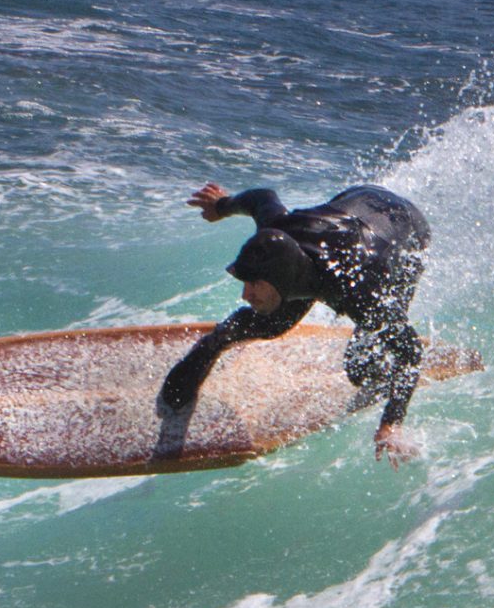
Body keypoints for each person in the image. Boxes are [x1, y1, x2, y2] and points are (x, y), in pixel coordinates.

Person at [159, 181, 431, 469]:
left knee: (360, 367)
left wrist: (391, 424)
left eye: (254, 284)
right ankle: (213, 345)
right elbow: (262, 197)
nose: (245, 294)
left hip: (406, 232)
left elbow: (410, 351)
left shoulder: (361, 293)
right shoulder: (277, 231)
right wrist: (222, 206)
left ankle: (379, 375)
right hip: (358, 199)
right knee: (271, 322)